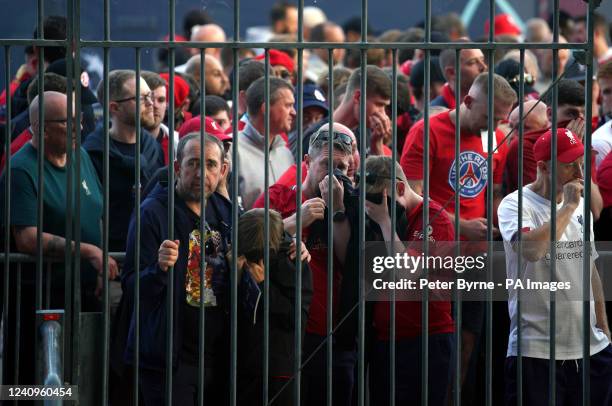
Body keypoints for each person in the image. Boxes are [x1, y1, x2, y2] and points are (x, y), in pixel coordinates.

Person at [400, 72, 515, 390]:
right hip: (436, 258)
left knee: (467, 345)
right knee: (435, 347)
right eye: (490, 116)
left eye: (501, 119)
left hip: (476, 260)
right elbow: (412, 197)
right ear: (467, 101)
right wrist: (460, 225)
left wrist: (500, 224)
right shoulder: (427, 132)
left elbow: (490, 191)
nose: (495, 124)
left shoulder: (492, 137)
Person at [498, 128, 612, 405]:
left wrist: (604, 329)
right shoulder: (515, 204)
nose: (578, 171)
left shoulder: (581, 206)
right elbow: (532, 250)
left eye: (580, 162)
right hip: (536, 349)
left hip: (589, 346)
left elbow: (591, 268)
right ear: (543, 167)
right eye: (568, 164)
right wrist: (568, 208)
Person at [123, 133, 237, 405]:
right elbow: (131, 285)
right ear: (177, 167)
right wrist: (159, 269)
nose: (201, 173)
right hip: (168, 361)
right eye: (193, 163)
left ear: (222, 170)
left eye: (210, 165)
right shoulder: (152, 213)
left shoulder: (225, 211)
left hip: (217, 358)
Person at [253, 122, 355, 406]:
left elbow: (351, 264)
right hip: (282, 333)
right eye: (326, 164)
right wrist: (294, 222)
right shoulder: (279, 196)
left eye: (343, 167)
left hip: (332, 332)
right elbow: (246, 246)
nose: (335, 174)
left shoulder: (352, 204)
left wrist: (337, 211)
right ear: (307, 162)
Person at [2, 91, 117, 310]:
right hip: (44, 297)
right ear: (42, 128)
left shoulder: (80, 156)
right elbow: (27, 238)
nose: (79, 128)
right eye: (68, 122)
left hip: (89, 290)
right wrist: (90, 252)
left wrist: (101, 264)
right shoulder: (20, 170)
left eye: (79, 120)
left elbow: (97, 213)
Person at [363, 156, 455, 406]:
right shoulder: (381, 216)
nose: (382, 209)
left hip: (426, 341)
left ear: (401, 188)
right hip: (385, 340)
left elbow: (408, 272)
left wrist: (384, 222)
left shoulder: (436, 218)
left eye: (385, 201)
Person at [236, 208, 313, 406]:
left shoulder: (293, 261)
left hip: (277, 371)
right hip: (242, 365)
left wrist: (263, 286)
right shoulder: (240, 258)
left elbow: (295, 318)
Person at [83, 70, 165, 253]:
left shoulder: (153, 148)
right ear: (114, 108)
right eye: (142, 98)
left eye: (150, 95)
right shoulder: (93, 153)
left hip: (151, 255)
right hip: (110, 258)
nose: (151, 103)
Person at [290, 65, 392, 160]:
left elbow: (376, 178)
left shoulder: (368, 130)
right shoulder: (316, 136)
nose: (382, 113)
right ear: (358, 97)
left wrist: (377, 144)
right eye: (379, 105)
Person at [237, 77, 295, 209]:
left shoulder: (286, 153)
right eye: (288, 105)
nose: (294, 112)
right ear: (265, 108)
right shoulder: (230, 150)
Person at [141, 70, 180, 164]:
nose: (154, 105)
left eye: (161, 100)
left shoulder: (178, 143)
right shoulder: (116, 143)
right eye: (149, 98)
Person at [433, 44, 488, 109]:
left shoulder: (495, 101)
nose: (484, 67)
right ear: (451, 73)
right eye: (472, 62)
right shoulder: (435, 114)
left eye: (482, 60)